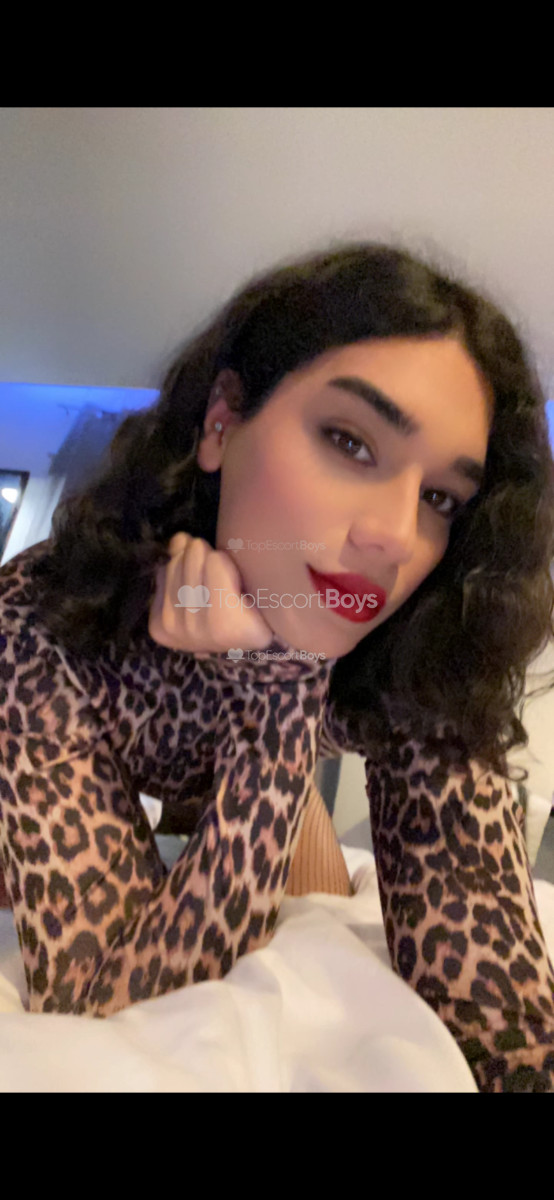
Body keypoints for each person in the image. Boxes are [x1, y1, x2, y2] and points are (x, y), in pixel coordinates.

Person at [1, 240, 554, 1094]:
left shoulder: (421, 641)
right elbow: (117, 1019)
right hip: (27, 776)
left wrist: (275, 684)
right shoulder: (42, 623)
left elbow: (503, 1022)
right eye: (350, 441)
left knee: (310, 886)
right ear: (222, 423)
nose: (395, 537)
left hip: (242, 757)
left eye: (440, 497)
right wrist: (278, 702)